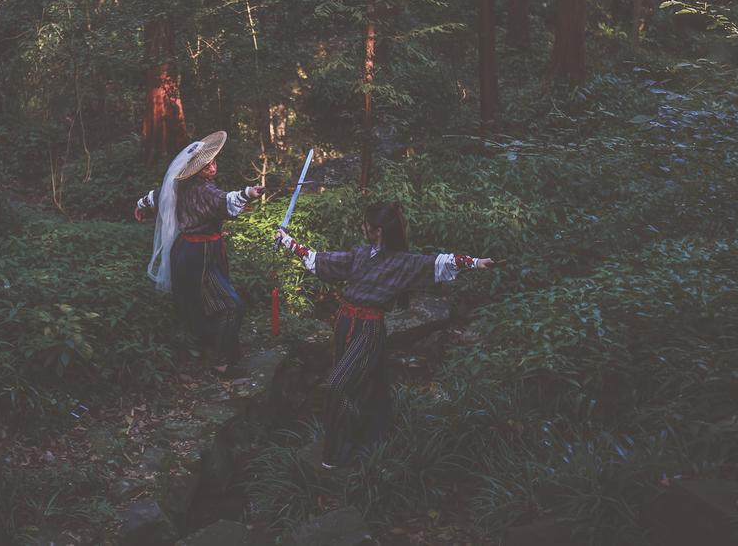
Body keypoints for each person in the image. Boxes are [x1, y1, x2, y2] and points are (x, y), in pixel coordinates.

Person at [274, 200, 495, 468]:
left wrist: (475, 263)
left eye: (366, 224)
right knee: (365, 385)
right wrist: (287, 241)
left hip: (368, 330)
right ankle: (362, 437)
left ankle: (338, 452)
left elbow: (437, 262)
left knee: (337, 385)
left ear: (378, 230)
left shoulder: (402, 262)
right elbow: (319, 261)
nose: (362, 227)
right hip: (345, 324)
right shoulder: (359, 254)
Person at [135, 131, 265, 378]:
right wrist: (248, 193)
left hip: (194, 251)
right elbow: (223, 200)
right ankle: (220, 362)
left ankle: (223, 351)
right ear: (196, 170)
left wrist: (141, 205)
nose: (212, 167)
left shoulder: (181, 186)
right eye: (206, 166)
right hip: (197, 255)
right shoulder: (202, 191)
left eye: (214, 162)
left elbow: (156, 195)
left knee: (212, 303)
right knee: (232, 305)